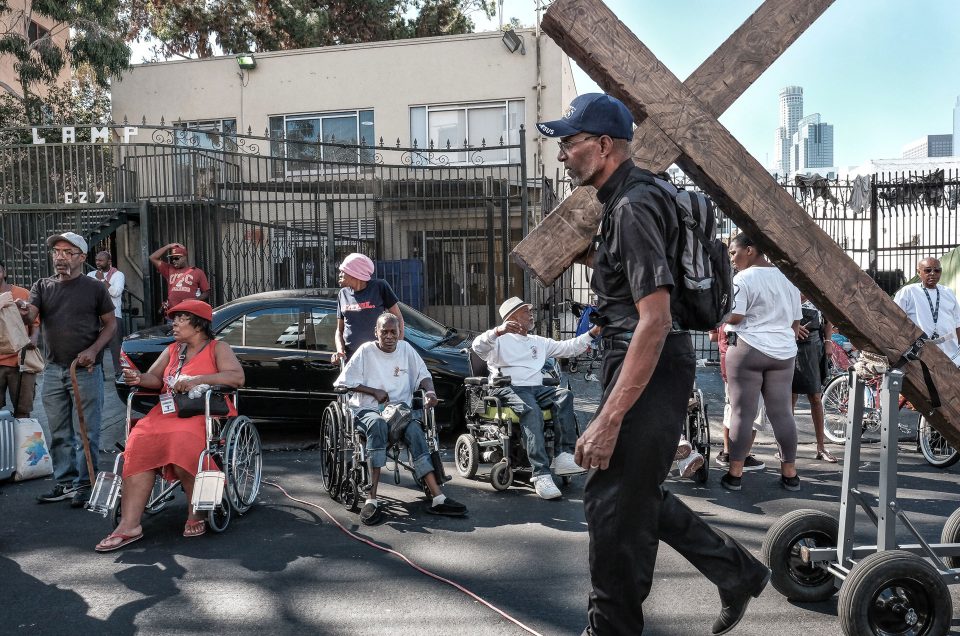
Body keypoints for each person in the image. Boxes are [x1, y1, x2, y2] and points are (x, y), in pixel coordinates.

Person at [537, 93, 771, 636]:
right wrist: (593, 258)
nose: (564, 154)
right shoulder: (640, 198)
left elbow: (655, 318)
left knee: (612, 504)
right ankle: (735, 573)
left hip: (649, 358)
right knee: (636, 493)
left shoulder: (633, 205)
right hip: (651, 360)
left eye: (570, 143)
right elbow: (638, 268)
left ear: (603, 145)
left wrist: (609, 418)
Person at [95, 300, 244, 551]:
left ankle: (196, 511)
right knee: (139, 438)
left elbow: (237, 377)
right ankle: (130, 524)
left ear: (198, 324)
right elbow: (154, 378)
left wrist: (197, 380)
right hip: (167, 411)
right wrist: (138, 377)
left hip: (201, 413)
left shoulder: (218, 348)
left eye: (181, 318)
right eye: (174, 318)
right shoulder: (174, 350)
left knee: (181, 438)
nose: (173, 323)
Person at [334, 312, 466, 526]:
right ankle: (371, 499)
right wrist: (373, 391)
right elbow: (344, 383)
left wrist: (430, 392)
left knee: (415, 431)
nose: (388, 336)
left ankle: (438, 497)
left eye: (393, 332)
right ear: (375, 332)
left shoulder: (406, 350)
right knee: (376, 425)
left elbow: (424, 375)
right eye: (384, 331)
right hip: (368, 411)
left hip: (399, 414)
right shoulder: (366, 351)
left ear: (399, 333)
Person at [471, 296, 597, 499]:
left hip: (536, 388)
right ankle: (541, 474)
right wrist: (498, 331)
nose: (532, 315)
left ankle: (563, 455)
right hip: (507, 387)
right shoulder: (498, 340)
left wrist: (592, 333)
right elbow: (477, 347)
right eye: (526, 312)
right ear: (512, 317)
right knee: (531, 410)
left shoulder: (538, 341)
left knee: (564, 396)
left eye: (531, 311)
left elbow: (569, 347)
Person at [24, 232, 116, 507]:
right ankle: (65, 483)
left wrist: (93, 350)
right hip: (53, 369)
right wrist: (19, 308)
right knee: (59, 430)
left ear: (81, 258)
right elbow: (30, 314)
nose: (60, 257)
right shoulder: (42, 285)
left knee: (85, 431)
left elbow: (110, 325)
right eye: (56, 252)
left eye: (67, 252)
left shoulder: (94, 288)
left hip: (85, 370)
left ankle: (87, 485)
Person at [723, 233, 802, 492]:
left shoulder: (742, 279)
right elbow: (795, 321)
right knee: (782, 413)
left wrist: (718, 313)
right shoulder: (788, 278)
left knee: (742, 413)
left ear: (750, 249)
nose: (732, 259)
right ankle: (790, 474)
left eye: (734, 253)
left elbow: (736, 316)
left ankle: (735, 474)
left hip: (748, 349)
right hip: (783, 353)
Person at [331, 253, 404, 363]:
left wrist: (396, 349)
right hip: (352, 359)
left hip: (378, 358)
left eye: (343, 271)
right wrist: (340, 352)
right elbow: (339, 330)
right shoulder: (343, 294)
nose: (340, 274)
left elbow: (398, 319)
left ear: (354, 273)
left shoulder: (379, 287)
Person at [791, 295, 837, 463]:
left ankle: (821, 447)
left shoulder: (815, 290)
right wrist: (792, 327)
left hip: (813, 345)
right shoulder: (788, 288)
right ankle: (787, 446)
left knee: (815, 396)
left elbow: (827, 318)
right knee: (790, 397)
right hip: (790, 343)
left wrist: (828, 341)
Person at [894, 256, 960, 366]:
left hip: (950, 353)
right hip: (920, 352)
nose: (933, 273)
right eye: (928, 270)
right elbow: (896, 319)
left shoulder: (948, 292)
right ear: (919, 272)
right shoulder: (908, 292)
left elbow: (958, 322)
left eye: (937, 270)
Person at [0, 260, 39, 417]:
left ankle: (21, 441)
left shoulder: (22, 294)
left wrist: (34, 338)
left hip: (20, 361)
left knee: (23, 412)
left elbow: (35, 323)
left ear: (4, 273)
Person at [87, 251, 125, 380]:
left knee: (115, 345)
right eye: (97, 260)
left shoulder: (118, 275)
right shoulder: (90, 275)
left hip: (114, 315)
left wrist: (102, 280)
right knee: (97, 345)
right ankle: (99, 372)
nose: (98, 263)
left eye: (101, 260)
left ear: (109, 262)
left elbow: (115, 292)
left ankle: (119, 373)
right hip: (95, 316)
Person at [149, 242, 210, 317]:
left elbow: (206, 292)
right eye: (172, 258)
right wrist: (168, 246)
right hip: (172, 315)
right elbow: (152, 257)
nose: (174, 261)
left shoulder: (197, 272)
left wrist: (195, 300)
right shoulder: (169, 269)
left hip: (190, 314)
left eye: (176, 258)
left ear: (184, 257)